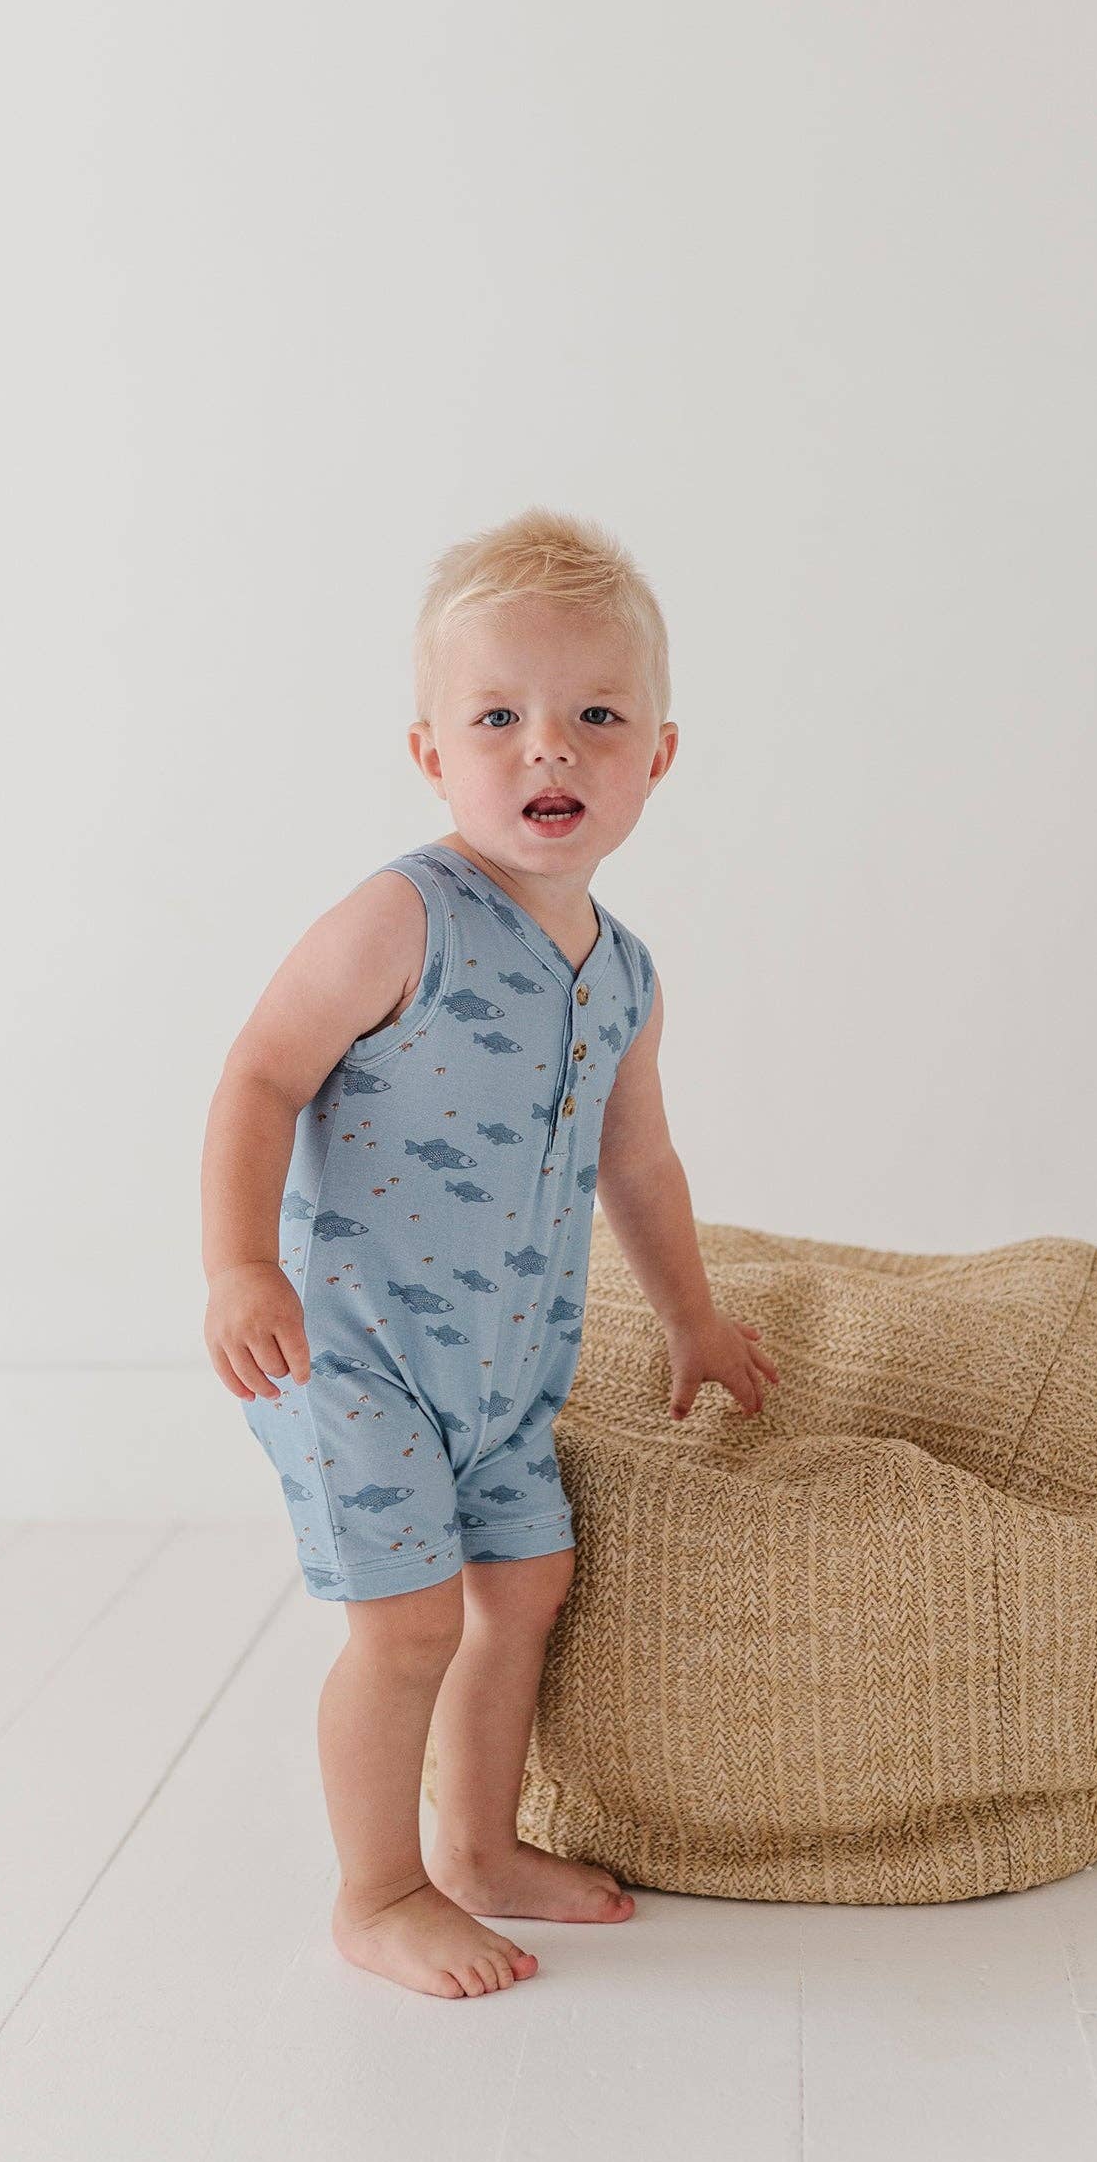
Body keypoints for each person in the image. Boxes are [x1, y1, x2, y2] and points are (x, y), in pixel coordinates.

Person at [200, 506, 779, 2001]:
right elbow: (260, 1074)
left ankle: (478, 1845)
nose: (549, 750)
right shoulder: (404, 918)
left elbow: (639, 1163)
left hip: (510, 1371)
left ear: (658, 756)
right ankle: (377, 1888)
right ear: (430, 751)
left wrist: (695, 1317)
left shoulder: (625, 975)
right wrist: (240, 1266)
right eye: (499, 717)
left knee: (524, 1586)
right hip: (355, 1353)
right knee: (404, 1627)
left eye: (597, 717)